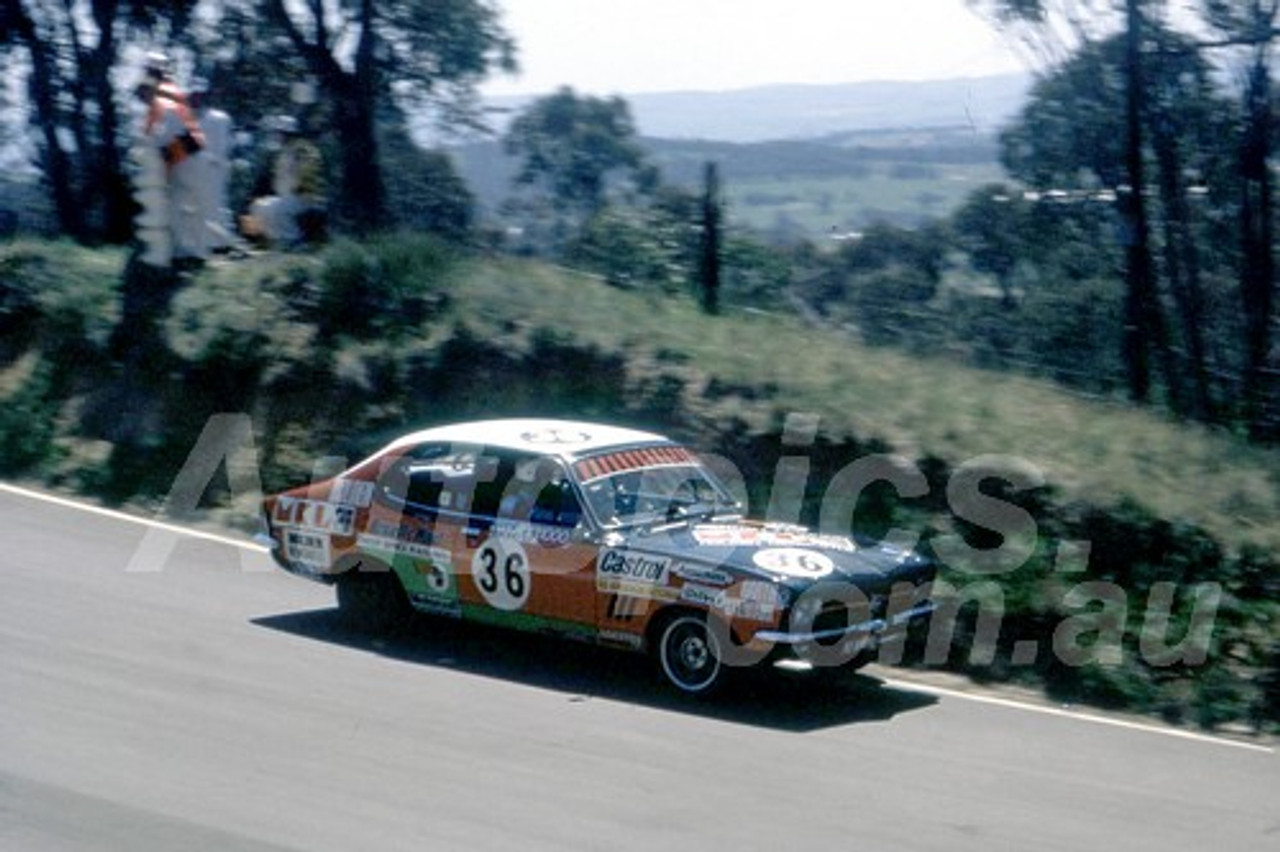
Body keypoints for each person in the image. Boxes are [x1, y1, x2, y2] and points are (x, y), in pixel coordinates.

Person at [132, 55, 207, 269]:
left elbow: (183, 137)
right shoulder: (161, 99)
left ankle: (193, 254)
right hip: (180, 155)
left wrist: (163, 163)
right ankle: (181, 253)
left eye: (151, 71)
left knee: (191, 206)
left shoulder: (167, 95)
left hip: (188, 153)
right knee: (176, 207)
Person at [244, 116, 326, 248]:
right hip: (286, 196)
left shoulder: (303, 150)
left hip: (304, 197)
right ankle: (265, 238)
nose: (277, 136)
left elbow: (309, 172)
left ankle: (293, 238)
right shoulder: (283, 152)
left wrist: (300, 187)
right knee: (257, 206)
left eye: (280, 133)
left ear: (288, 134)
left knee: (279, 209)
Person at [189, 79, 235, 254]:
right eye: (193, 95)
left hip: (216, 168)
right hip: (197, 169)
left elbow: (225, 146)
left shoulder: (220, 118)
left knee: (216, 205)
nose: (196, 99)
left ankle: (223, 245)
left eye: (199, 95)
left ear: (205, 96)